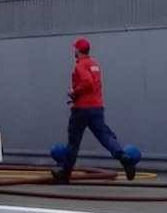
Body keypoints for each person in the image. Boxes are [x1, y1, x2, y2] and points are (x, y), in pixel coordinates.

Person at [53, 38, 137, 183]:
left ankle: (65, 175)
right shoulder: (94, 64)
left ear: (78, 50)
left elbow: (87, 82)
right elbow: (94, 84)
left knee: (73, 142)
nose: (74, 51)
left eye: (75, 49)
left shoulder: (80, 66)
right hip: (97, 108)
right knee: (105, 136)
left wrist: (74, 92)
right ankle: (124, 158)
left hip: (81, 109)